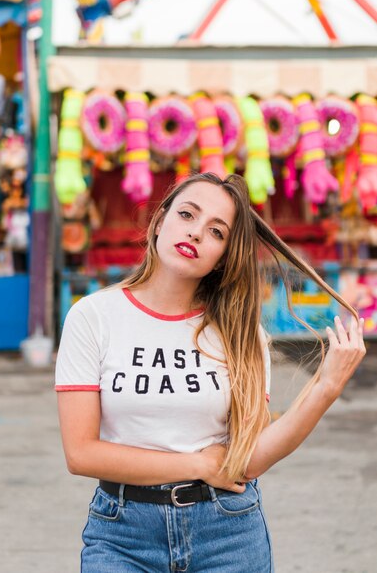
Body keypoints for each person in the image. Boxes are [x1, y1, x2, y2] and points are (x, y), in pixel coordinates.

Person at [56, 172, 365, 573]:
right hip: (122, 536)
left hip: (228, 535)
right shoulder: (93, 317)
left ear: (224, 256)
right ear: (159, 220)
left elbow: (247, 461)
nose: (197, 233)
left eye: (216, 232)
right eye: (187, 214)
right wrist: (197, 465)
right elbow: (81, 454)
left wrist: (326, 387)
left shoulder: (241, 335)